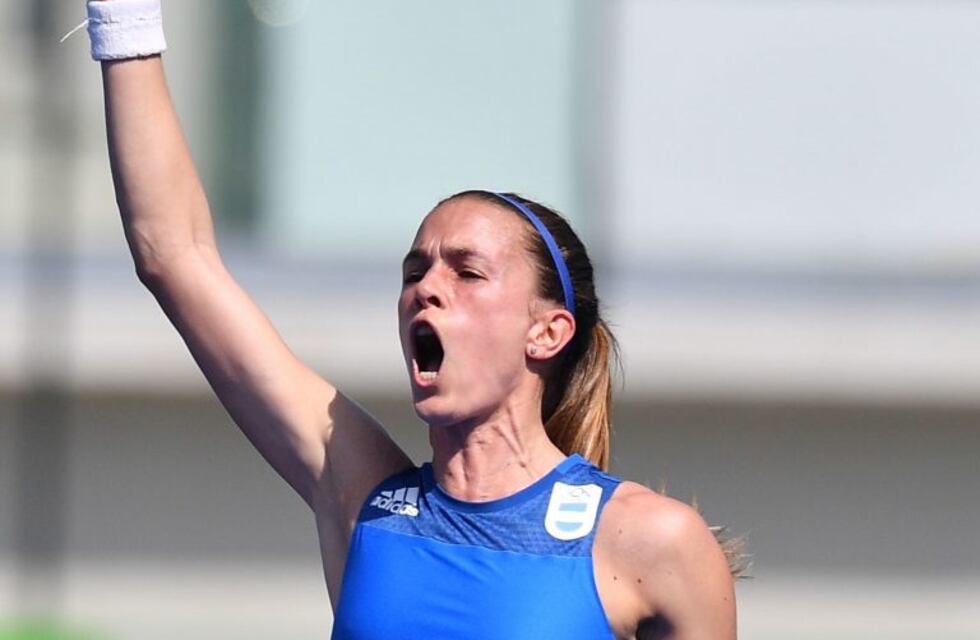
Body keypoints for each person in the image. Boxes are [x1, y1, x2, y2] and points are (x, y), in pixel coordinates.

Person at [88, 1, 739, 637]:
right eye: (414, 271)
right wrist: (124, 18)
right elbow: (175, 257)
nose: (427, 288)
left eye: (467, 271)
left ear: (547, 332)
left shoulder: (652, 542)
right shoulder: (363, 495)